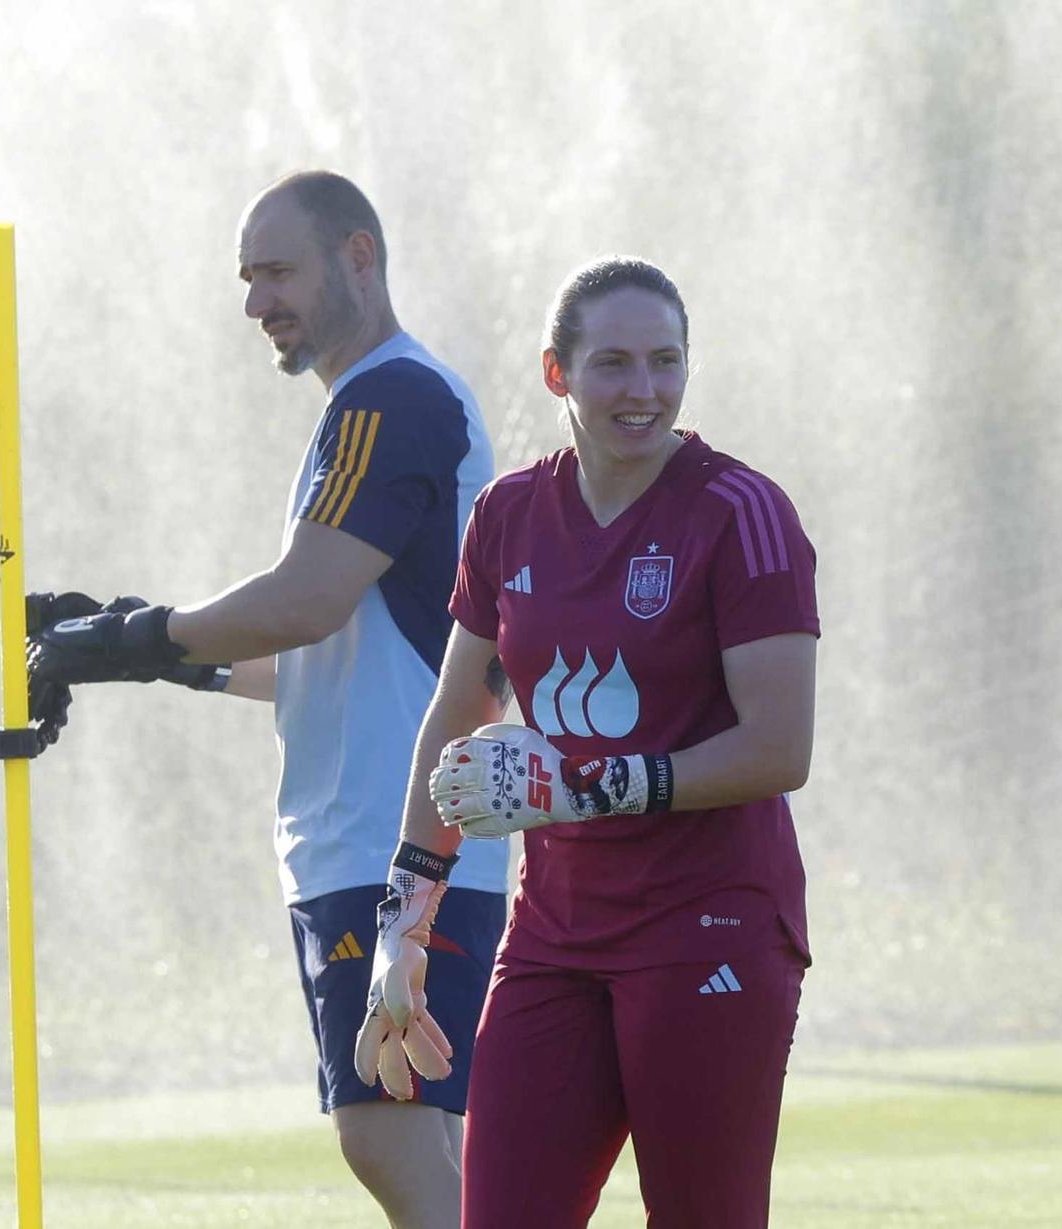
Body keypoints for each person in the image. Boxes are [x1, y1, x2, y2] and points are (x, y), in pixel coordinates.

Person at [28, 170, 508, 1229]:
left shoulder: (389, 397)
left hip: (390, 836)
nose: (256, 303)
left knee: (381, 1125)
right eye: (247, 279)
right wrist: (141, 648)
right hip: (401, 832)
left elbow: (303, 599)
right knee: (417, 1131)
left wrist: (127, 633)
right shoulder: (390, 400)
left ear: (358, 255)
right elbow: (321, 650)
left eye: (277, 271)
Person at [355, 256, 819, 1228]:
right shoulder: (509, 514)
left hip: (710, 924)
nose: (642, 389)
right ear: (555, 372)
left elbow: (778, 748)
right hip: (555, 938)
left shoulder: (740, 513)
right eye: (612, 363)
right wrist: (402, 920)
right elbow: (454, 718)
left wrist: (583, 786)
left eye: (664, 360)